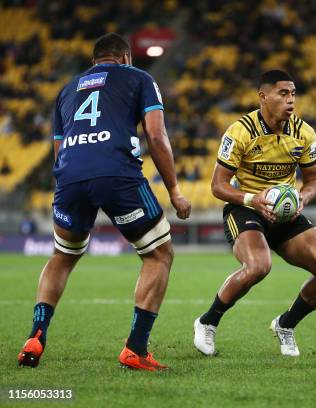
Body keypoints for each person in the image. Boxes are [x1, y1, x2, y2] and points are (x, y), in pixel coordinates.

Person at [17, 33, 191, 371]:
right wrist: (175, 191)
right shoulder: (140, 77)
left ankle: (36, 334)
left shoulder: (66, 90)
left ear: (95, 59)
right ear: (125, 57)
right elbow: (156, 135)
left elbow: (57, 151)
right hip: (118, 174)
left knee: (62, 256)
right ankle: (135, 349)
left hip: (69, 178)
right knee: (158, 253)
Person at [194, 70, 316, 357]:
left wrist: (302, 197)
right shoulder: (240, 131)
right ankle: (207, 321)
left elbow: (314, 181)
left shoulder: (304, 133)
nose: (291, 100)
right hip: (245, 207)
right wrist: (253, 198)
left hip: (285, 213)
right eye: (283, 94)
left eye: (293, 94)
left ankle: (285, 325)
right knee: (259, 266)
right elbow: (217, 186)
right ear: (263, 96)